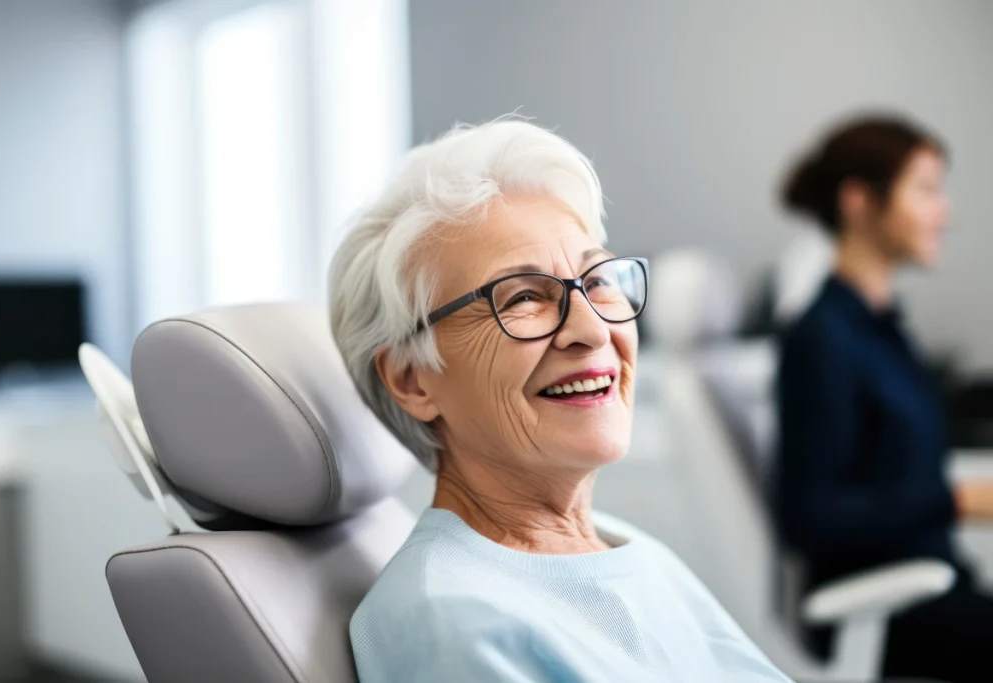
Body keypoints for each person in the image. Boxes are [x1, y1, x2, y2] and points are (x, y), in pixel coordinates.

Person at [329, 119, 791, 682]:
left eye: (597, 280)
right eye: (523, 296)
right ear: (412, 380)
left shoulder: (621, 546)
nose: (593, 330)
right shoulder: (451, 623)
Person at [775, 114, 993, 682]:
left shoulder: (882, 328)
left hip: (935, 587)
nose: (944, 212)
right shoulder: (821, 340)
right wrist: (958, 501)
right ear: (859, 200)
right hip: (889, 607)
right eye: (925, 190)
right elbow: (809, 515)